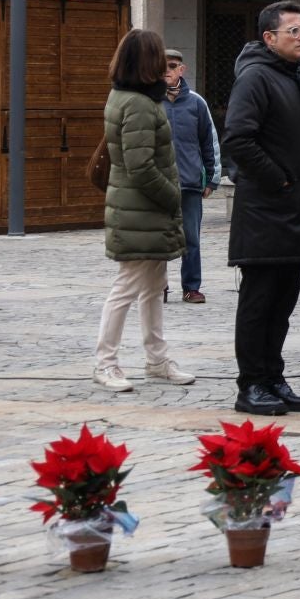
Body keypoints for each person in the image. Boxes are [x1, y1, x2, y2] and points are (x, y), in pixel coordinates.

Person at [223, 1, 300, 416]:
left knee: (283, 302)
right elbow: (238, 139)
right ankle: (251, 383)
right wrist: (281, 179)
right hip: (266, 212)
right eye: (294, 32)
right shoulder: (255, 78)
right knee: (259, 301)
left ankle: (273, 377)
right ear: (269, 38)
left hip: (298, 209)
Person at [95, 29, 196, 392]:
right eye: (159, 59)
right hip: (142, 210)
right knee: (126, 288)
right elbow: (140, 166)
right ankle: (106, 363)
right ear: (146, 62)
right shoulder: (137, 103)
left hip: (144, 211)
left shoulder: (132, 96)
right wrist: (173, 197)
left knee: (154, 287)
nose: (165, 68)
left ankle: (157, 358)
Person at [161, 49, 219, 305]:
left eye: (172, 66)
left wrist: (212, 178)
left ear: (181, 70)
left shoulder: (197, 102)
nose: (167, 71)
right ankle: (157, 286)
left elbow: (210, 141)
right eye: (162, 66)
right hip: (158, 185)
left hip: (190, 183)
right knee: (157, 238)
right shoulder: (149, 102)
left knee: (191, 239)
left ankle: (191, 287)